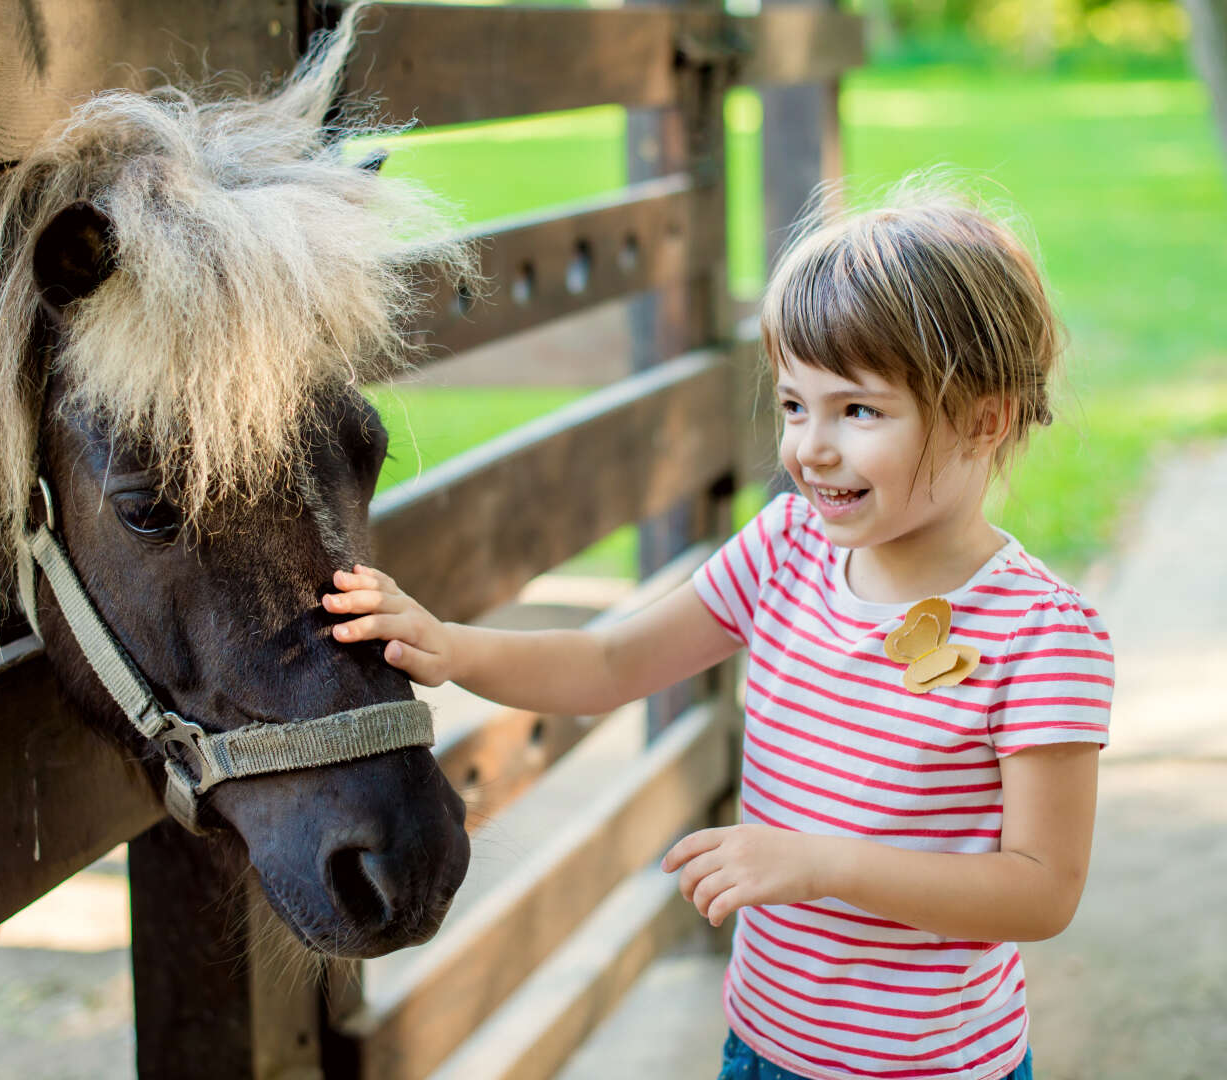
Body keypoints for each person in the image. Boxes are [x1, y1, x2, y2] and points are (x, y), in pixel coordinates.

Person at [322, 180, 1113, 1080]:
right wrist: (455, 647)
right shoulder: (787, 551)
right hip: (764, 1046)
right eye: (792, 404)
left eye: (858, 409)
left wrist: (820, 865)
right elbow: (611, 661)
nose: (811, 447)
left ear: (985, 418)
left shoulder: (1040, 635)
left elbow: (1041, 888)